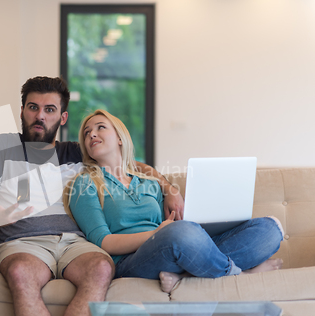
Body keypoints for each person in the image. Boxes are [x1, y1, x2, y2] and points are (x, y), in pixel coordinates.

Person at [0, 77, 185, 316]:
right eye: (33, 107)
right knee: (20, 273)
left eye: (50, 110)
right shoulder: (3, 146)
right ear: (22, 111)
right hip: (24, 241)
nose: (40, 116)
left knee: (102, 267)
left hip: (77, 242)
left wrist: (169, 188)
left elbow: (133, 165)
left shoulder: (77, 152)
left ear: (62, 117)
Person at [64, 109, 284, 293]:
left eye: (100, 127)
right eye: (87, 132)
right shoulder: (83, 184)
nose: (92, 134)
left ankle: (187, 274)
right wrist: (156, 234)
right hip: (131, 261)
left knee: (269, 228)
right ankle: (239, 274)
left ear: (120, 137)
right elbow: (103, 242)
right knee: (180, 233)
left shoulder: (149, 181)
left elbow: (174, 224)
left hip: (171, 247)